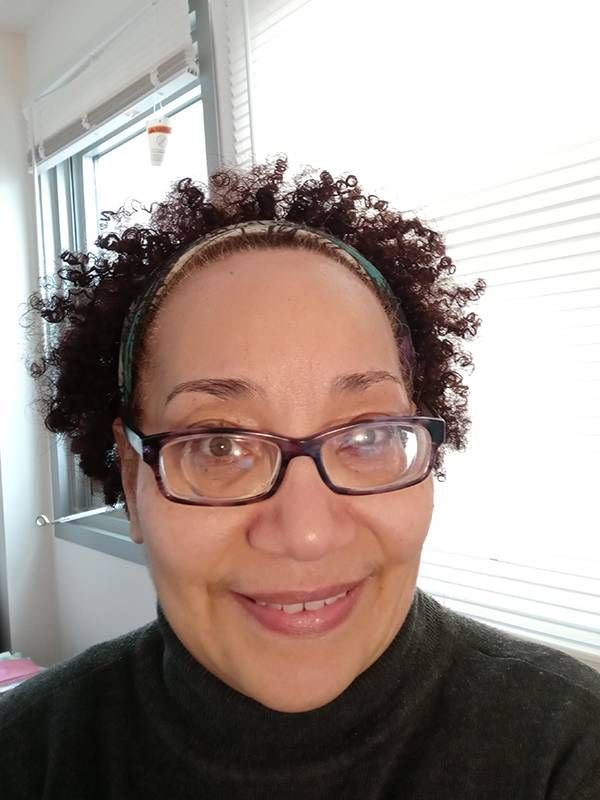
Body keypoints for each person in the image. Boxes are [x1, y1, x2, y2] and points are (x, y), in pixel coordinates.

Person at [1, 159, 599, 798]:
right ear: (132, 478)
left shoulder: (566, 753)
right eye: (220, 444)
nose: (307, 533)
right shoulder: (26, 756)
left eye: (367, 435)